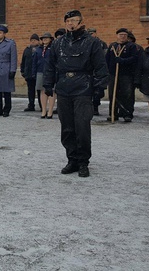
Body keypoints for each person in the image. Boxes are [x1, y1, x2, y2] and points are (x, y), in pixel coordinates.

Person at [43, 10, 108, 178]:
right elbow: (50, 65)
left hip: (83, 87)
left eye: (74, 20)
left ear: (80, 22)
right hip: (64, 87)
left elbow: (100, 66)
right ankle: (71, 159)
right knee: (67, 127)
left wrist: (99, 87)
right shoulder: (57, 44)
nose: (70, 23)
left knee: (82, 126)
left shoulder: (92, 42)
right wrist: (48, 84)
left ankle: (83, 161)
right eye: (68, 21)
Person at [105, 28, 139, 122]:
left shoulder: (131, 46)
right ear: (117, 36)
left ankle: (127, 114)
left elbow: (135, 58)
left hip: (126, 75)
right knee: (113, 94)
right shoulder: (112, 46)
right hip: (113, 74)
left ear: (127, 36)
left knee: (126, 94)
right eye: (120, 35)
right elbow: (107, 59)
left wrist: (123, 61)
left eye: (124, 35)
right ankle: (113, 113)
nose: (122, 36)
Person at [33, 32, 56, 119]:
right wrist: (33, 72)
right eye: (43, 38)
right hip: (40, 71)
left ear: (50, 39)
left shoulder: (53, 48)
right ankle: (43, 110)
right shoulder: (38, 49)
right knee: (42, 91)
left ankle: (50, 111)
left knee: (51, 92)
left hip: (50, 72)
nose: (45, 39)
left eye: (47, 38)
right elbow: (34, 62)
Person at [88, 28, 108, 115]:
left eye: (92, 33)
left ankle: (95, 107)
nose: (91, 35)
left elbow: (105, 56)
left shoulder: (102, 44)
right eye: (89, 33)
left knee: (98, 91)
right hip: (89, 70)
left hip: (98, 70)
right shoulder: (85, 43)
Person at [21, 33, 40, 112]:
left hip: (38, 73)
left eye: (35, 40)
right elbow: (23, 61)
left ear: (38, 41)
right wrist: (23, 71)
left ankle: (42, 105)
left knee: (39, 91)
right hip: (28, 73)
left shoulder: (40, 49)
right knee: (30, 91)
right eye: (31, 40)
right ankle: (31, 105)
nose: (33, 42)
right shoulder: (27, 49)